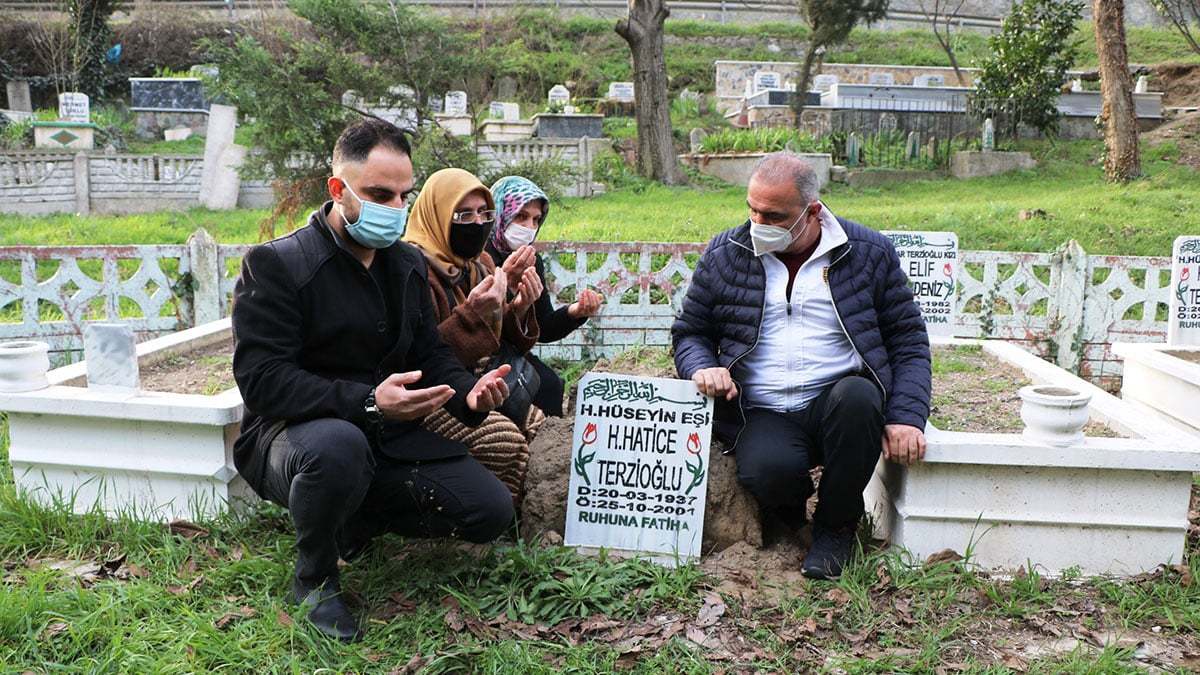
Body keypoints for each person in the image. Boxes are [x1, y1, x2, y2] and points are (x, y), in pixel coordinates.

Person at [231, 119, 514, 642]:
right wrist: (366, 402)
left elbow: (429, 351)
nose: (393, 208)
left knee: (489, 511)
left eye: (403, 195)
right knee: (338, 448)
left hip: (384, 436)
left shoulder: (403, 262)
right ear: (338, 190)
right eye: (379, 194)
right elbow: (263, 382)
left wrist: (469, 396)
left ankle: (352, 520)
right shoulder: (277, 264)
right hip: (294, 437)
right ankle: (314, 577)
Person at [671, 151, 931, 579]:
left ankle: (835, 527)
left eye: (773, 216)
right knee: (767, 470)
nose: (758, 224)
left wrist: (907, 416)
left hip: (835, 399)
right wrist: (702, 367)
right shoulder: (726, 253)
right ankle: (791, 514)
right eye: (752, 210)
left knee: (860, 399)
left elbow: (907, 339)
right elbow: (691, 331)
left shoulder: (866, 252)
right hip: (762, 407)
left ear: (811, 212)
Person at [402, 168, 546, 500]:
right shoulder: (414, 271)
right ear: (438, 214)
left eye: (484, 213)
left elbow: (501, 340)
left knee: (540, 424)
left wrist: (520, 307)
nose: (477, 223)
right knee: (504, 439)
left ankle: (522, 516)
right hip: (432, 396)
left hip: (479, 382)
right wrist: (473, 314)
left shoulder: (477, 264)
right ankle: (494, 514)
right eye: (464, 214)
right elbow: (424, 358)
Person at [485, 175, 603, 417]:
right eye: (520, 216)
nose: (528, 227)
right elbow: (478, 321)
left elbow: (543, 326)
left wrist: (576, 311)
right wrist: (506, 285)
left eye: (536, 219)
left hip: (514, 352)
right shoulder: (480, 256)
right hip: (479, 355)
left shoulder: (531, 260)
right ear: (499, 213)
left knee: (550, 384)